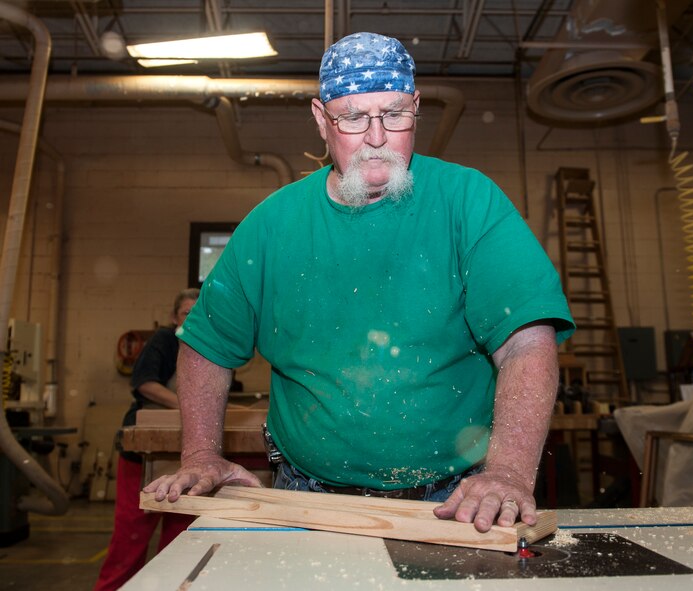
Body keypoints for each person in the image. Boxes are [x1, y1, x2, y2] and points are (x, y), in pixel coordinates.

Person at [146, 32, 575, 534]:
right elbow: (206, 345)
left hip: (456, 501)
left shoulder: (469, 203)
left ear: (416, 108)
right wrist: (201, 453)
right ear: (320, 120)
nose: (377, 137)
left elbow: (527, 343)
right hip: (307, 496)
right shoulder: (272, 225)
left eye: (395, 114)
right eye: (352, 117)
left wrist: (507, 472)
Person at [94, 289, 199, 591]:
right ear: (173, 317)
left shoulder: (207, 347)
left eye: (198, 313)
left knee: (179, 538)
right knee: (131, 538)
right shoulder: (165, 341)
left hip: (183, 455)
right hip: (145, 452)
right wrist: (193, 406)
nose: (191, 320)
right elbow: (145, 384)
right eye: (185, 314)